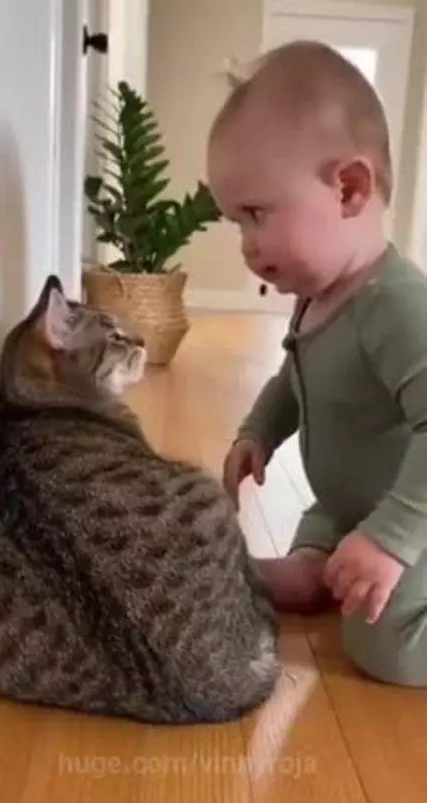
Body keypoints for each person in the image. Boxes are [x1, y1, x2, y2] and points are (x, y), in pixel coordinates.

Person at [207, 40, 427, 687]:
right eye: (234, 223)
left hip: (417, 508)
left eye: (256, 215)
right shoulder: (319, 299)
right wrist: (258, 431)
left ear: (349, 189)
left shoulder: (397, 307)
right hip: (352, 500)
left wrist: (391, 535)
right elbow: (294, 381)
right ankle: (315, 563)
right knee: (326, 519)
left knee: (381, 642)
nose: (247, 246)